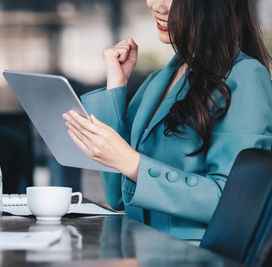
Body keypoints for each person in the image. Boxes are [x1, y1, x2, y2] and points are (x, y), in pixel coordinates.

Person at [63, 0, 272, 240]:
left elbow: (236, 203)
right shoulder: (160, 81)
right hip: (138, 248)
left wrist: (133, 163)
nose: (155, 5)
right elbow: (118, 196)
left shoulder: (246, 76)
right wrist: (116, 84)